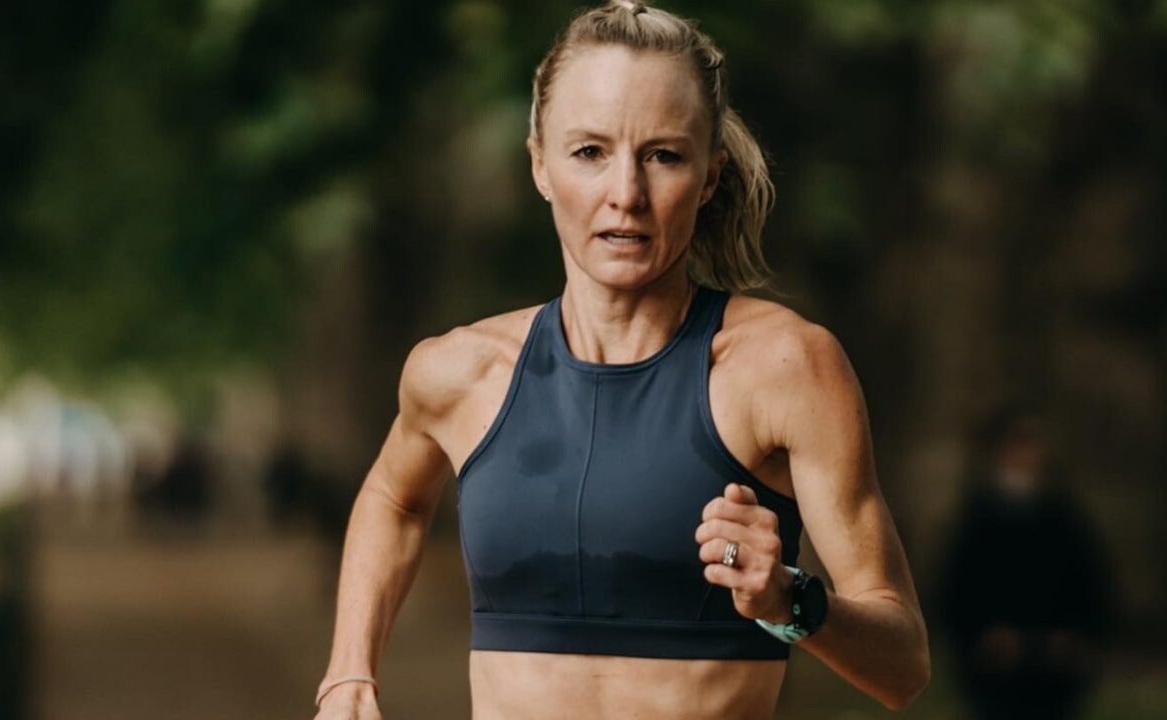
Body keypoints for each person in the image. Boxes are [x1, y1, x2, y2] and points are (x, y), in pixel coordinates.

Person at [312, 2, 929, 718]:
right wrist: (348, 672)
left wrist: (790, 599)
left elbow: (903, 666)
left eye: (664, 156)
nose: (626, 195)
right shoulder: (459, 372)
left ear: (709, 176)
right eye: (589, 152)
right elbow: (394, 499)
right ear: (540, 165)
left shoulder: (784, 367)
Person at [941, 410, 1112, 720]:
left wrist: (1073, 633)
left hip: (1054, 666)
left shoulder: (1063, 517)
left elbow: (1089, 582)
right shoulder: (978, 521)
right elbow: (958, 587)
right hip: (995, 668)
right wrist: (983, 634)